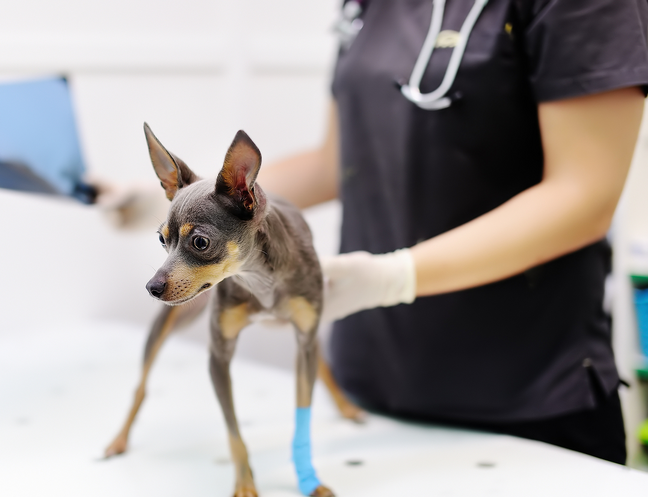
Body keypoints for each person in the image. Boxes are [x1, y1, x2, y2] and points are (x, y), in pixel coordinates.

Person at [99, 0, 648, 465]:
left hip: (527, 399)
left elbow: (584, 195)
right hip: (369, 392)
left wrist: (394, 276)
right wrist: (180, 201)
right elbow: (335, 161)